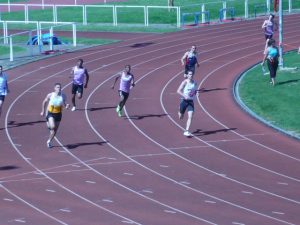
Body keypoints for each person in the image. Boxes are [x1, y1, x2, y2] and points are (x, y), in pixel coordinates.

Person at [40, 83, 69, 148]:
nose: (59, 89)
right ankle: (49, 123)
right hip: (50, 113)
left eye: (60, 87)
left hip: (58, 114)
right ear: (54, 88)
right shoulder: (50, 95)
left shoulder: (63, 95)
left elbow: (64, 103)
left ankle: (49, 141)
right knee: (52, 127)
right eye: (58, 87)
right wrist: (43, 111)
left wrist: (67, 106)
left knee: (54, 131)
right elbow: (44, 102)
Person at [177, 71, 198, 137]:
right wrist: (184, 96)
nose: (191, 75)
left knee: (190, 116)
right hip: (184, 101)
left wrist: (196, 93)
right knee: (181, 117)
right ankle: (179, 112)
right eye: (189, 74)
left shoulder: (194, 83)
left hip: (190, 102)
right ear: (187, 75)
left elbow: (194, 91)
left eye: (191, 74)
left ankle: (186, 131)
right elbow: (178, 90)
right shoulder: (184, 82)